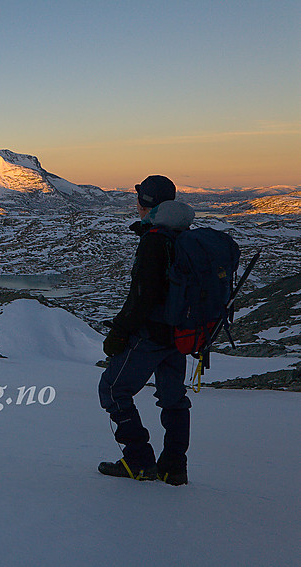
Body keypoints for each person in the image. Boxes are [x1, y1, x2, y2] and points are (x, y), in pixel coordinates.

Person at [98, 175, 195, 486]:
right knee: (173, 398)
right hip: (178, 336)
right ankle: (174, 467)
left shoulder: (155, 240)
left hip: (150, 335)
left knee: (113, 390)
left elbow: (142, 295)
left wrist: (119, 332)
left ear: (146, 202)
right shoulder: (183, 236)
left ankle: (139, 461)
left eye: (139, 198)